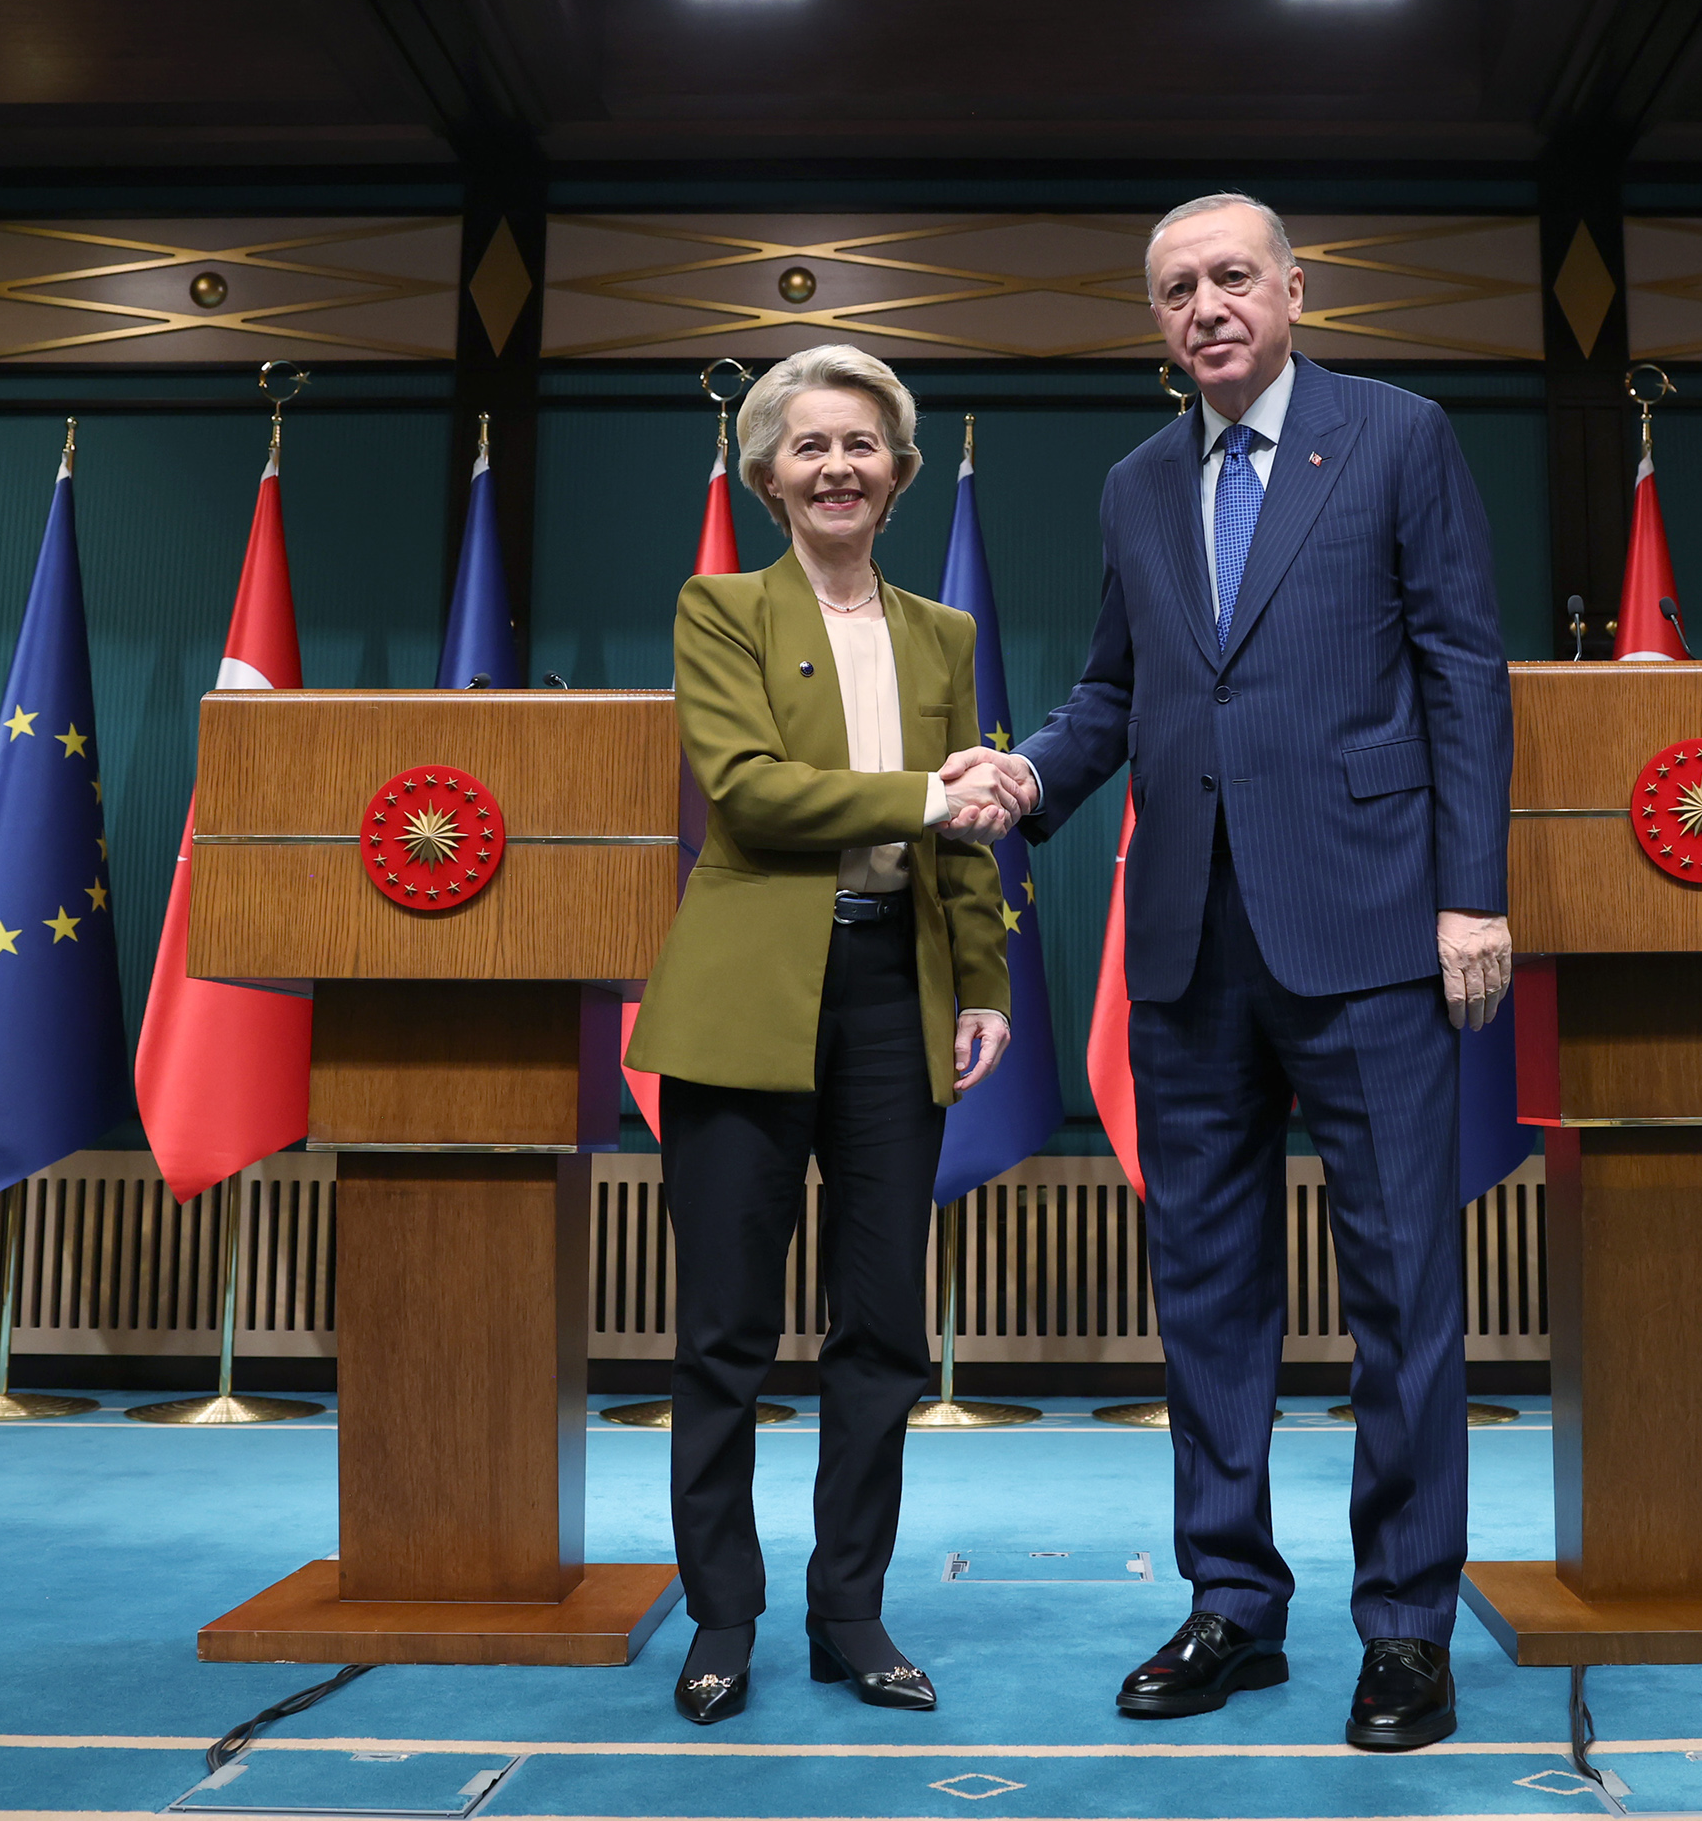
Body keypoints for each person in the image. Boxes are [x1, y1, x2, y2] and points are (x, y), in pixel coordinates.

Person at [939, 194, 1511, 1752]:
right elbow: (1110, 692)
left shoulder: (1394, 435)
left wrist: (1472, 897)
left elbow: (1464, 670)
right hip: (1187, 945)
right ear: (1157, 317)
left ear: (1292, 289)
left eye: (1230, 277)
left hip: (1376, 936)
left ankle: (1403, 1630)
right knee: (1207, 1299)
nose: (1205, 305)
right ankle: (1231, 1608)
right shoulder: (1135, 482)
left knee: (1402, 1294)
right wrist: (1025, 781)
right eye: (1176, 287)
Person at [626, 344, 1022, 1727]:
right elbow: (748, 793)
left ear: (901, 476)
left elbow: (968, 845)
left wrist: (981, 982)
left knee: (881, 1332)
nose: (838, 467)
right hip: (745, 1002)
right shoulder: (717, 604)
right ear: (768, 476)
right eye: (810, 448)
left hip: (889, 999)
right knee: (723, 1333)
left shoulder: (944, 635)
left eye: (863, 446)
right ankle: (721, 1614)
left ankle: (849, 1609)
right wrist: (930, 792)